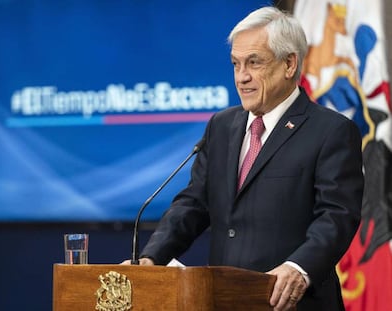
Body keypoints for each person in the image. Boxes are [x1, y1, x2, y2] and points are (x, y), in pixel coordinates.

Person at [122, 6, 364, 311]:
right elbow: (194, 203)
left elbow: (337, 215)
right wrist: (151, 257)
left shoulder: (331, 130)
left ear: (290, 64)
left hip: (291, 303)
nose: (242, 77)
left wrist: (299, 268)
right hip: (224, 300)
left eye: (254, 63)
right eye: (235, 64)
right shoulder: (221, 127)